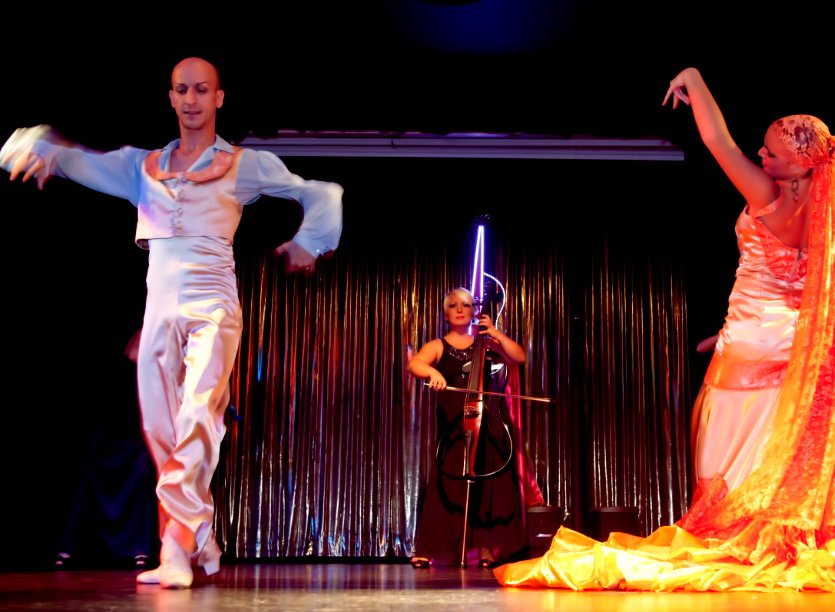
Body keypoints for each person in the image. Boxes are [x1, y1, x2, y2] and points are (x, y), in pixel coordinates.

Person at [494, 67, 835, 591]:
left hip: (748, 348)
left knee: (730, 450)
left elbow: (715, 138)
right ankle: (799, 534)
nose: (761, 157)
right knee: (804, 451)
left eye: (771, 153)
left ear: (796, 162)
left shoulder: (765, 196)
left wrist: (692, 78)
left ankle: (736, 533)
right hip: (799, 348)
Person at [1, 56, 343, 588]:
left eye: (201, 90)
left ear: (218, 98)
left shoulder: (240, 164)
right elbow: (80, 161)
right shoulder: (144, 166)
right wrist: (39, 149)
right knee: (160, 430)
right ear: (170, 96)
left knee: (199, 417)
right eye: (182, 89)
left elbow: (321, 192)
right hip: (158, 305)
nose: (191, 99)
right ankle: (200, 534)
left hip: (213, 304)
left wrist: (309, 241)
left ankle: (174, 549)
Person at [407, 286, 538, 568]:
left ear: (473, 311)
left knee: (490, 486)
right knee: (446, 485)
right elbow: (415, 364)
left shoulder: (485, 344)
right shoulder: (439, 345)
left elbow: (519, 357)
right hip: (454, 428)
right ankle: (428, 549)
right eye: (453, 305)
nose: (459, 309)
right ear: (445, 313)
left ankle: (489, 549)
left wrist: (497, 333)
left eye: (465, 305)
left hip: (487, 425)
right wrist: (432, 372)